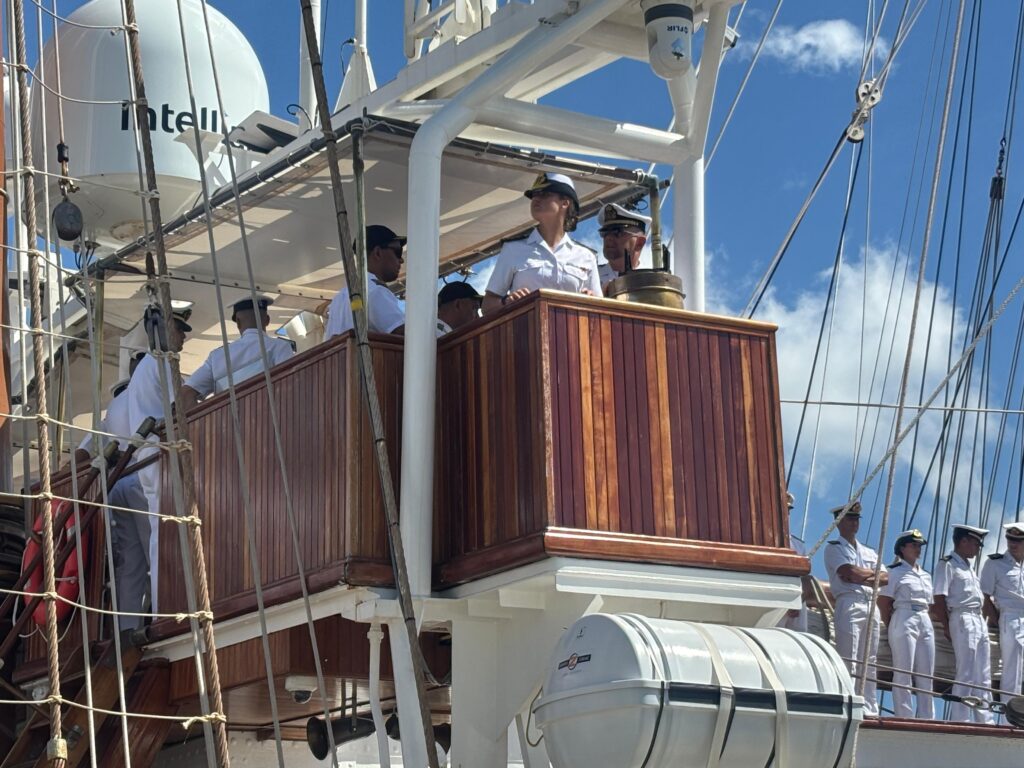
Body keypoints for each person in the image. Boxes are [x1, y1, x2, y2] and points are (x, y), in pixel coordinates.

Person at [125, 308, 192, 617]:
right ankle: (166, 606)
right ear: (164, 328)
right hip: (161, 453)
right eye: (179, 330)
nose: (183, 337)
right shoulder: (163, 362)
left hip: (146, 455)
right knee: (167, 531)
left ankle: (159, 606)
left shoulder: (143, 369)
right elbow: (180, 405)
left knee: (157, 531)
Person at [482, 172, 601, 313]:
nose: (536, 199)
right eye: (534, 195)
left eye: (544, 194)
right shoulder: (513, 249)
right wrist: (506, 302)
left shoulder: (586, 256)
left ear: (565, 203)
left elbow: (601, 308)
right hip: (528, 332)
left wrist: (591, 299)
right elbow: (487, 306)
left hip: (572, 333)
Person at [823, 501, 888, 716]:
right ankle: (848, 700)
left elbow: (887, 578)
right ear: (839, 523)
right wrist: (870, 575)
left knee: (870, 660)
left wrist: (863, 576)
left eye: (856, 520)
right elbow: (848, 572)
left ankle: (870, 707)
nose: (854, 524)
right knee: (849, 656)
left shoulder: (868, 551)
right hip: (849, 602)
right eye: (850, 519)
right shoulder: (834, 549)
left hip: (871, 604)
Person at [178, 296, 294, 413]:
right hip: (267, 420)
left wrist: (198, 426)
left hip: (227, 424)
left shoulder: (217, 356)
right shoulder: (280, 346)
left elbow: (186, 393)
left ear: (238, 322)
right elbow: (290, 385)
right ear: (267, 320)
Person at [933, 524, 993, 723]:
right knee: (965, 672)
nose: (978, 548)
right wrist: (947, 625)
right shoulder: (948, 564)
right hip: (962, 618)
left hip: (978, 620)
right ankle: (961, 719)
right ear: (963, 541)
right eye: (976, 543)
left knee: (983, 674)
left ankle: (985, 719)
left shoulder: (968, 567)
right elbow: (939, 598)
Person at [879, 529, 935, 719]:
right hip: (903, 616)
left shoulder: (926, 575)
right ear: (902, 548)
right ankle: (904, 715)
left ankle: (927, 717)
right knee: (903, 671)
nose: (918, 549)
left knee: (926, 674)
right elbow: (884, 602)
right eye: (913, 545)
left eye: (919, 545)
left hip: (924, 617)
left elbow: (932, 604)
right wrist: (892, 626)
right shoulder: (893, 571)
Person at [324, 225, 407, 338]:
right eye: (398, 252)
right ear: (378, 253)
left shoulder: (338, 299)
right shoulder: (375, 290)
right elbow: (405, 335)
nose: (401, 260)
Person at [980, 522, 1024, 713]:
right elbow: (984, 596)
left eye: (1017, 540)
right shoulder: (995, 563)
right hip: (1010, 617)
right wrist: (996, 621)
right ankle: (1011, 714)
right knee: (1012, 668)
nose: (1012, 543)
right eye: (1009, 539)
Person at [596, 202, 650, 290]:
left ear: (639, 242)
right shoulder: (589, 278)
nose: (609, 237)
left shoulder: (651, 282)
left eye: (617, 232)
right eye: (605, 233)